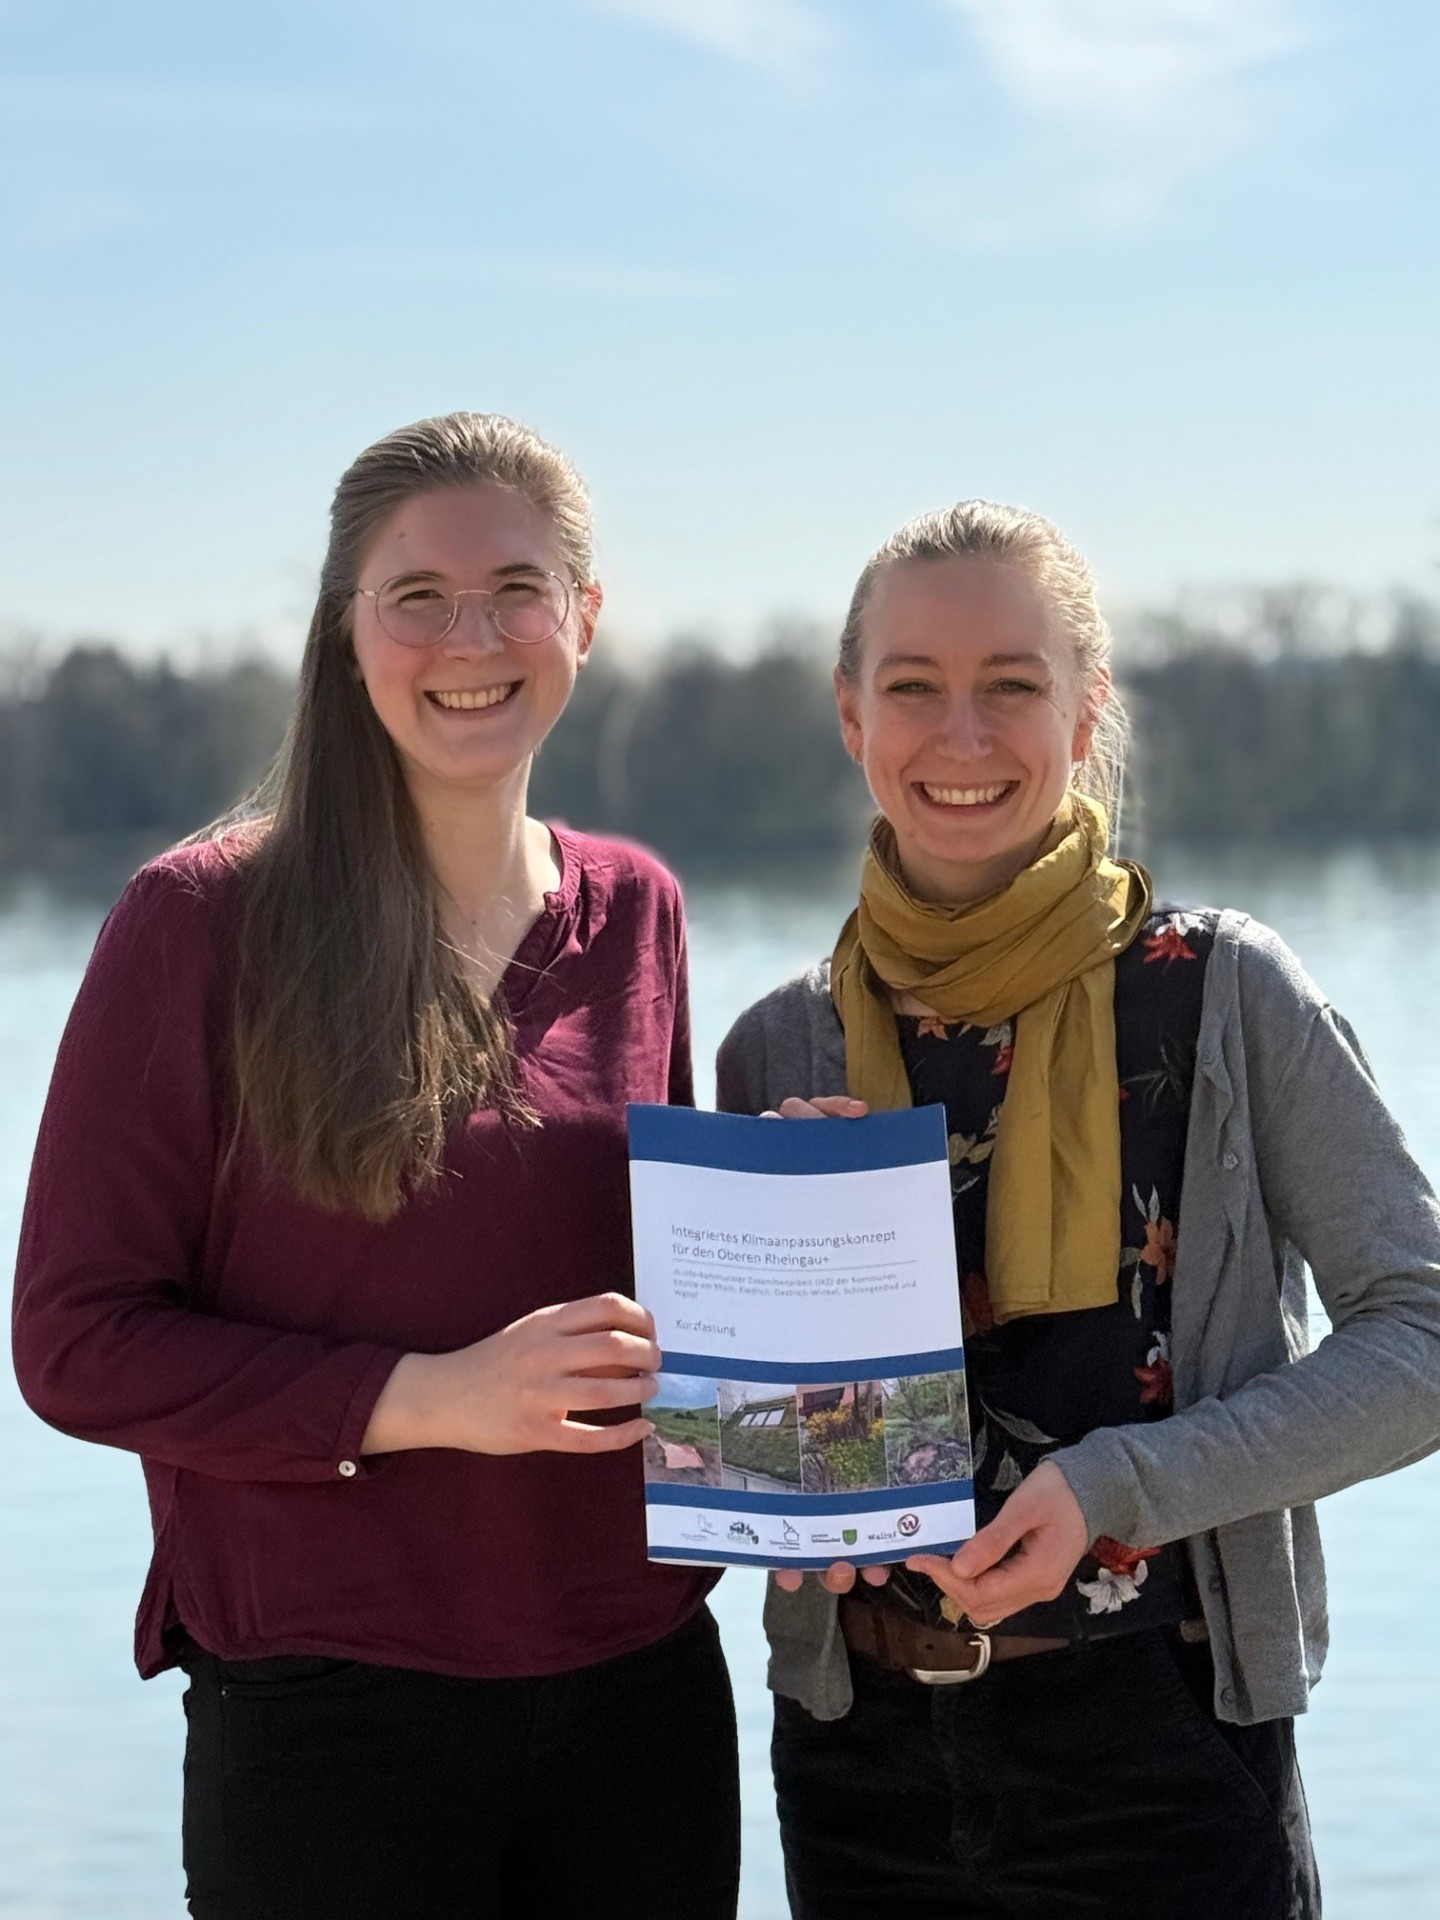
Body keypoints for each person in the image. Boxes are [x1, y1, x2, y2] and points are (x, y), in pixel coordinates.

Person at [13, 413, 739, 1920]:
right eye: (416, 594)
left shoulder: (642, 911)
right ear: (348, 631)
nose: (469, 636)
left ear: (584, 621)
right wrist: (432, 1398)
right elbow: (74, 1344)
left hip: (643, 1695)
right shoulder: (201, 923)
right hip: (330, 1717)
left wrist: (794, 1235)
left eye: (516, 588)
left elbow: (664, 1303)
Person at [716, 500, 1440, 1919]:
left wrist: (1118, 1486)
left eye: (1014, 686)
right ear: (850, 714)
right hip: (859, 1764)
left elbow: (1421, 1339)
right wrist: (800, 1293)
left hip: (1165, 1754)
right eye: (914, 687)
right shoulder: (777, 1049)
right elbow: (752, 1463)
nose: (962, 735)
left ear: (1088, 707)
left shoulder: (1226, 996)